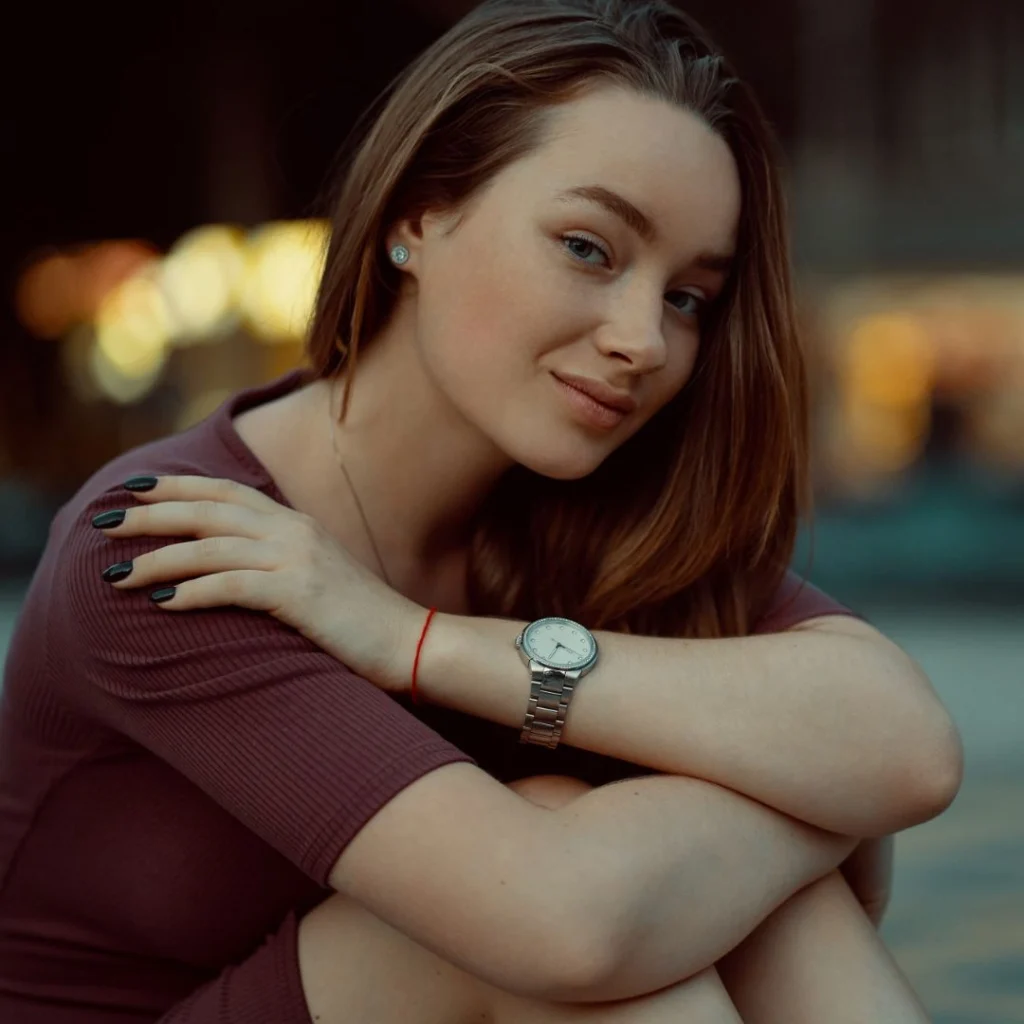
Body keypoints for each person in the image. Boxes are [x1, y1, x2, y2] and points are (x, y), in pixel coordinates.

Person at [0, 1, 963, 1021]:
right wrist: (814, 796)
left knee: (687, 883)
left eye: (687, 297)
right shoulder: (175, 538)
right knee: (584, 875)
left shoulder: (587, 521)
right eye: (589, 248)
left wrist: (418, 642)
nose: (643, 338)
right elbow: (564, 925)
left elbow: (907, 750)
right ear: (418, 214)